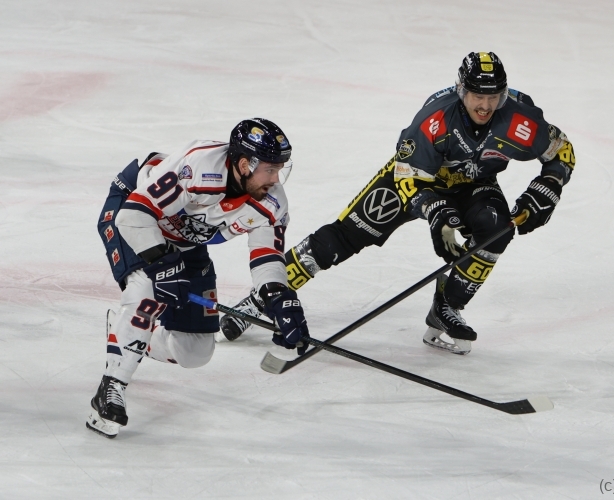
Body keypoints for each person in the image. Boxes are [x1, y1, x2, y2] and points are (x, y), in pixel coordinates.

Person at [221, 51, 576, 355]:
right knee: (340, 239)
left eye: (493, 96)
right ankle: (263, 297)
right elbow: (407, 177)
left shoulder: (521, 118)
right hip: (413, 179)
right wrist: (435, 211)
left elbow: (561, 151)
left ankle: (448, 306)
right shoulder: (434, 119)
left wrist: (548, 187)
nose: (485, 105)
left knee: (497, 229)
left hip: (473, 184)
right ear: (461, 90)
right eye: (476, 96)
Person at [87, 118, 310, 438]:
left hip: (182, 241)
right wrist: (162, 264)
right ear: (245, 164)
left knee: (194, 351)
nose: (276, 179)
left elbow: (267, 256)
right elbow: (134, 215)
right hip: (133, 213)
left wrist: (280, 297)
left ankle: (127, 332)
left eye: (280, 169)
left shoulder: (272, 202)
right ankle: (111, 389)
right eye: (270, 169)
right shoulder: (199, 166)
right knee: (146, 289)